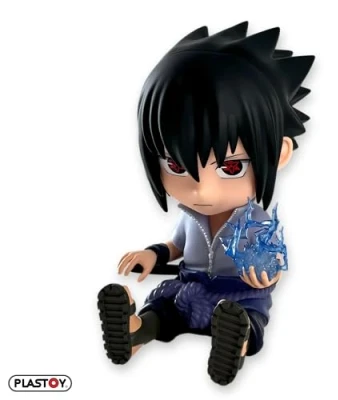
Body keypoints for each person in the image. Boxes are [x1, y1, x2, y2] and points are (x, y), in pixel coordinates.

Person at [97, 21, 314, 386]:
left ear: (278, 154)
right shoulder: (190, 216)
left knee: (247, 318)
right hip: (190, 288)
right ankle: (134, 332)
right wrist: (152, 254)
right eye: (176, 165)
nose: (202, 191)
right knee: (163, 309)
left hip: (238, 293)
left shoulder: (256, 221)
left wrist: (266, 275)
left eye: (231, 167)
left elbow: (273, 261)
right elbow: (176, 245)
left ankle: (235, 342)